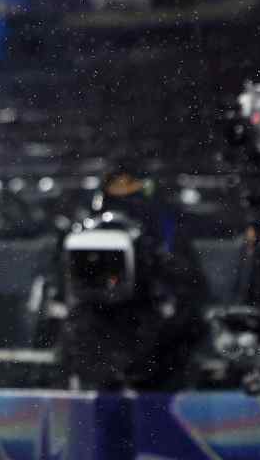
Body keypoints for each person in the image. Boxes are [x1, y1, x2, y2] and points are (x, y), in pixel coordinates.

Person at [60, 163, 208, 391]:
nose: (124, 192)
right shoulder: (85, 226)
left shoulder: (164, 225)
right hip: (99, 327)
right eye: (117, 185)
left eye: (130, 184)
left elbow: (189, 289)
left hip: (152, 328)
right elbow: (71, 284)